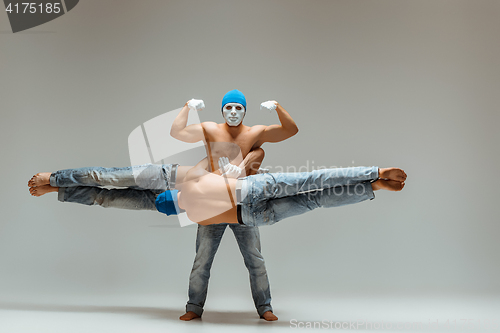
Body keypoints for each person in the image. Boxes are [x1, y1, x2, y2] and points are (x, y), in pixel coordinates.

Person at [169, 90, 298, 321]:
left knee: (255, 260)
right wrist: (187, 106)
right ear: (222, 110)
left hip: (243, 205)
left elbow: (291, 130)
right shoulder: (211, 129)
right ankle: (193, 307)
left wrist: (278, 107)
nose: (233, 112)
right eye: (228, 107)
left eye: (238, 108)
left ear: (245, 111)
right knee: (202, 260)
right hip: (212, 204)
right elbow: (176, 132)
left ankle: (265, 308)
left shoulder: (254, 132)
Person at [28, 163, 407, 227]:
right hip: (252, 193)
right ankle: (373, 176)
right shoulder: (190, 184)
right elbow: (238, 167)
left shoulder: (187, 210)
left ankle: (371, 185)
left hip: (253, 214)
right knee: (314, 182)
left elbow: (226, 218)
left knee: (105, 187)